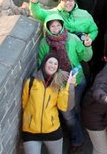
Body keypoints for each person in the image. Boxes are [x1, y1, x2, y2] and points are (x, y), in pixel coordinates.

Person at [37, 13, 92, 151]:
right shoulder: (44, 43)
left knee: (75, 110)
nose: (55, 28)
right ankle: (77, 139)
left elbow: (86, 57)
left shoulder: (72, 39)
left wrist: (87, 46)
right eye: (52, 26)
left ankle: (77, 135)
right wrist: (58, 73)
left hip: (77, 81)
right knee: (67, 113)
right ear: (48, 28)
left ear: (62, 25)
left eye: (58, 25)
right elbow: (42, 64)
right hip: (58, 84)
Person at [21, 53, 76, 154]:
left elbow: (65, 107)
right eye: (50, 62)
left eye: (55, 64)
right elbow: (25, 104)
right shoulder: (31, 82)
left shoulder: (58, 85)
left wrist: (70, 86)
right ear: (44, 64)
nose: (52, 65)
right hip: (30, 131)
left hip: (52, 131)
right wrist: (29, 120)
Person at [30, 0, 98, 44]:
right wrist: (34, 3)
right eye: (64, 0)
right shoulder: (54, 14)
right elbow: (38, 14)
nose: (68, 2)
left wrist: (90, 38)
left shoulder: (84, 14)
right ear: (60, 1)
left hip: (80, 50)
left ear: (74, 1)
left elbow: (94, 30)